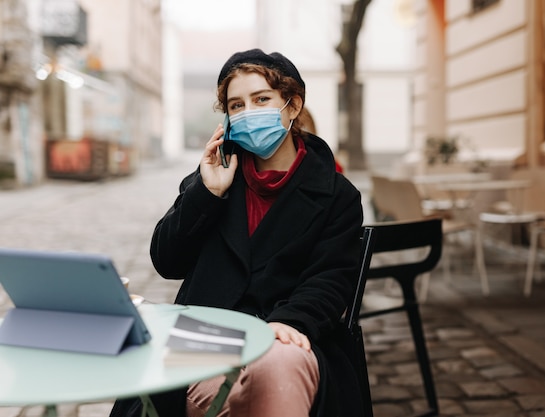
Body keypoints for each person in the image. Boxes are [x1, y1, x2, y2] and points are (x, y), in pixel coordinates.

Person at [109, 49, 364, 417]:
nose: (248, 113)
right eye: (236, 105)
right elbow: (166, 261)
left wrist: (287, 323)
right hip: (208, 343)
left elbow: (331, 279)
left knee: (278, 367)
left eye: (261, 100)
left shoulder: (337, 195)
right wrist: (207, 193)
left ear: (292, 106)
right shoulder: (213, 180)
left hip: (289, 337)